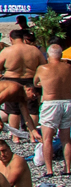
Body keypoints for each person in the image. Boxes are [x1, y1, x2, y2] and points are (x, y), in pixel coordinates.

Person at [37, 43, 71, 176]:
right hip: (68, 102)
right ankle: (68, 168)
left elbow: (35, 82)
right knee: (66, 138)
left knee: (47, 138)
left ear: (49, 56)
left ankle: (49, 170)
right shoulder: (68, 68)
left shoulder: (43, 68)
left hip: (51, 103)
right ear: (61, 55)